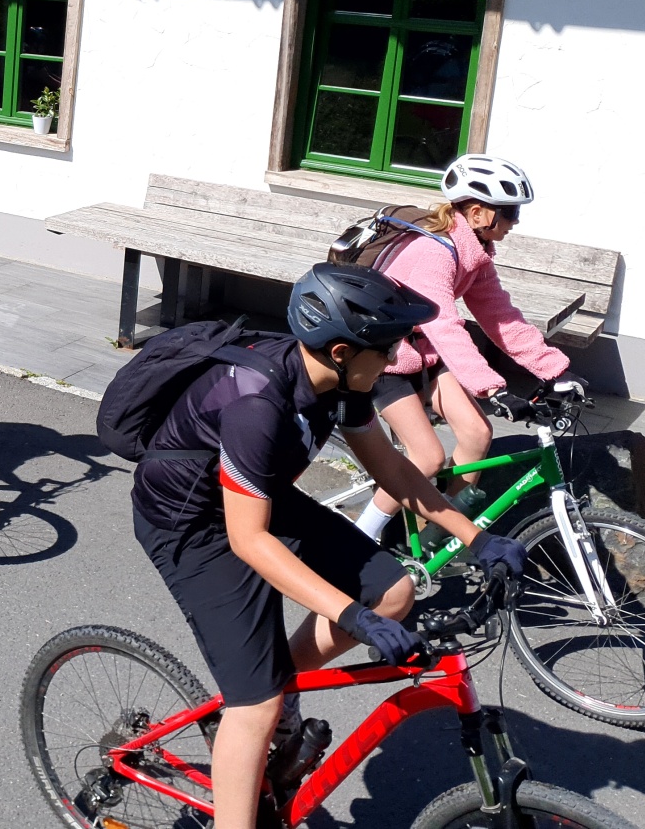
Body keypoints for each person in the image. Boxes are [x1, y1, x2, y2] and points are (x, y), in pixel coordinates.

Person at [130, 263, 528, 829]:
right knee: (255, 706)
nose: (396, 360)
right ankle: (258, 721)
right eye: (386, 349)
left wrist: (477, 538)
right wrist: (350, 616)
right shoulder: (256, 403)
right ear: (341, 351)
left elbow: (394, 469)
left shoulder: (343, 386)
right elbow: (248, 540)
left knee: (392, 593)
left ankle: (277, 685)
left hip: (257, 498)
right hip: (190, 523)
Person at [351, 154, 577, 541]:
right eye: (509, 212)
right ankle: (358, 534)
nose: (515, 222)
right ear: (476, 213)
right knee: (427, 458)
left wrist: (556, 371)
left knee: (476, 434)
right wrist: (492, 388)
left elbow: (501, 318)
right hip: (383, 359)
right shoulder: (433, 253)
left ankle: (439, 539)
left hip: (424, 355)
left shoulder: (474, 254)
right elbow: (443, 324)